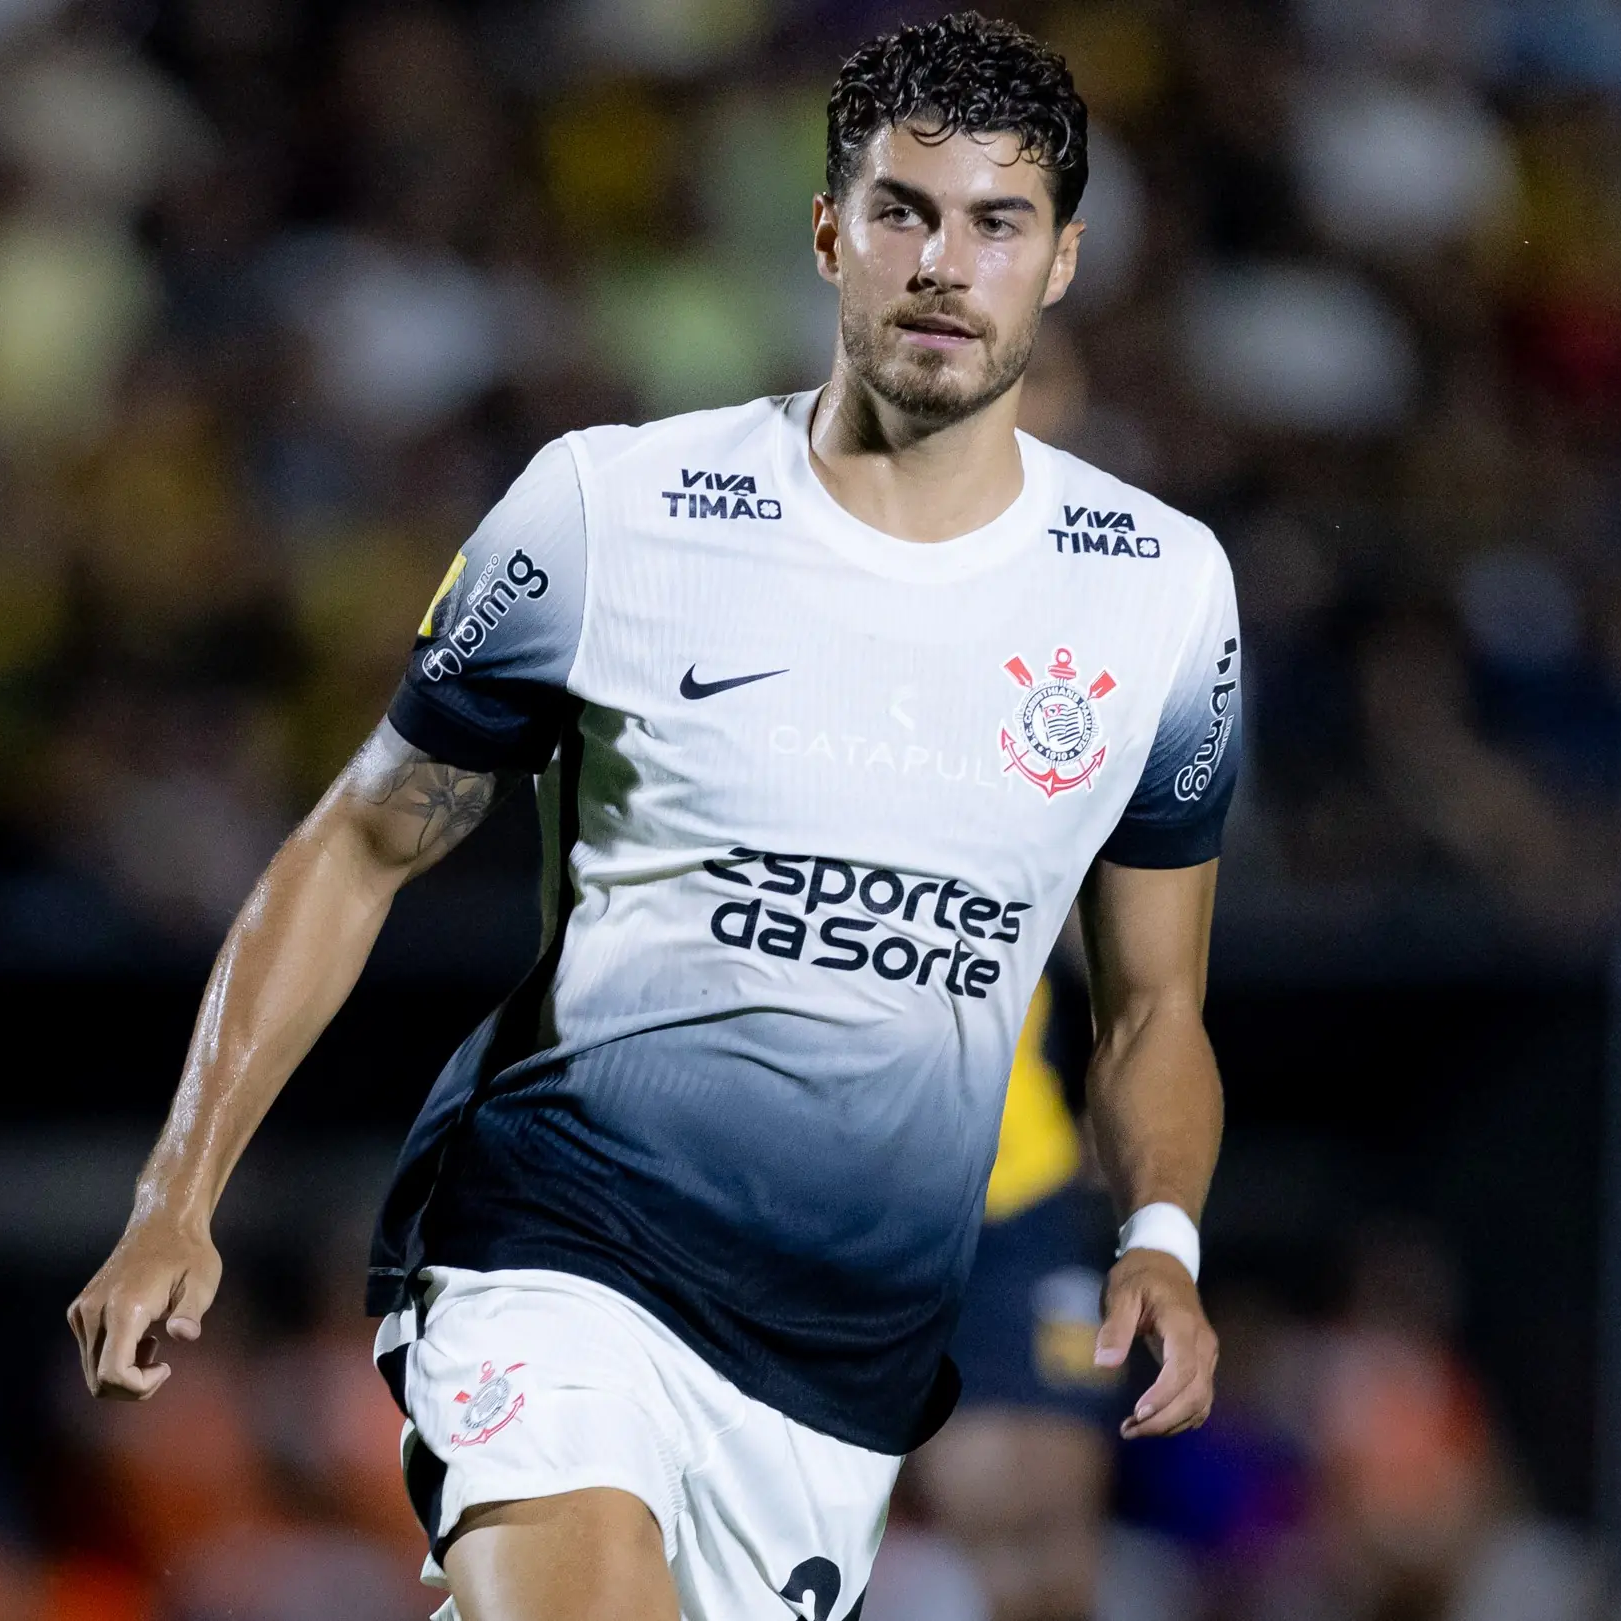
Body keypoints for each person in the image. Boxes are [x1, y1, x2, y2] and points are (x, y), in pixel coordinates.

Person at [67, 14, 1244, 1621]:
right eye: (901, 211)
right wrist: (175, 1196)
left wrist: (1162, 1231)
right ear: (827, 232)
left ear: (1065, 259)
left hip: (835, 1357)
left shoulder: (1161, 596)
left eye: (997, 223)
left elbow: (1156, 1004)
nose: (942, 265)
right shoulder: (612, 510)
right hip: (558, 1243)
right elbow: (359, 841)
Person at [906, 966, 1126, 1621]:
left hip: (1036, 1204)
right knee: (987, 1518)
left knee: (1063, 1503)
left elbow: (1136, 970)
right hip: (914, 1205)